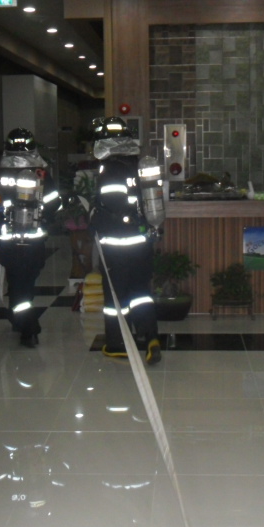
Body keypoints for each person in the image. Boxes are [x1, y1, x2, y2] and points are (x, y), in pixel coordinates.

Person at [88, 116, 162, 364]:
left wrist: (94, 215)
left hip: (117, 244)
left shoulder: (111, 169)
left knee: (115, 297)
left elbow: (113, 204)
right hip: (141, 241)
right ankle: (150, 337)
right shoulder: (137, 164)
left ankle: (117, 344)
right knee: (141, 291)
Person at [0, 127, 61, 347]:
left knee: (16, 282)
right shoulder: (41, 173)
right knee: (26, 283)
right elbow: (54, 203)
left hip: (8, 241)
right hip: (34, 240)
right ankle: (27, 326)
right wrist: (44, 217)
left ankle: (22, 322)